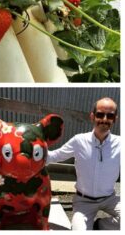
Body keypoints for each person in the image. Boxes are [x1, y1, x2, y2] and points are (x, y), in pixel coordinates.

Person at [47, 97, 120, 230]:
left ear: (115, 118)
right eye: (100, 114)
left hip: (110, 199)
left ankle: (100, 225)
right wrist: (35, 152)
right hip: (84, 201)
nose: (104, 119)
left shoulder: (121, 144)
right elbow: (55, 156)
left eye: (109, 115)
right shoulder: (79, 141)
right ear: (92, 116)